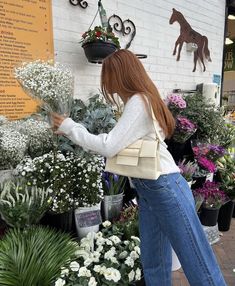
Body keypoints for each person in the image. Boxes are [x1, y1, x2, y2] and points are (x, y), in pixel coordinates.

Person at [51, 49, 227, 286]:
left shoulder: (139, 101)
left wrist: (71, 127)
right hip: (152, 188)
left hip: (165, 188)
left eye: (109, 74)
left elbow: (109, 145)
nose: (106, 81)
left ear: (122, 74)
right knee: (155, 261)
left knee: (197, 260)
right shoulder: (143, 100)